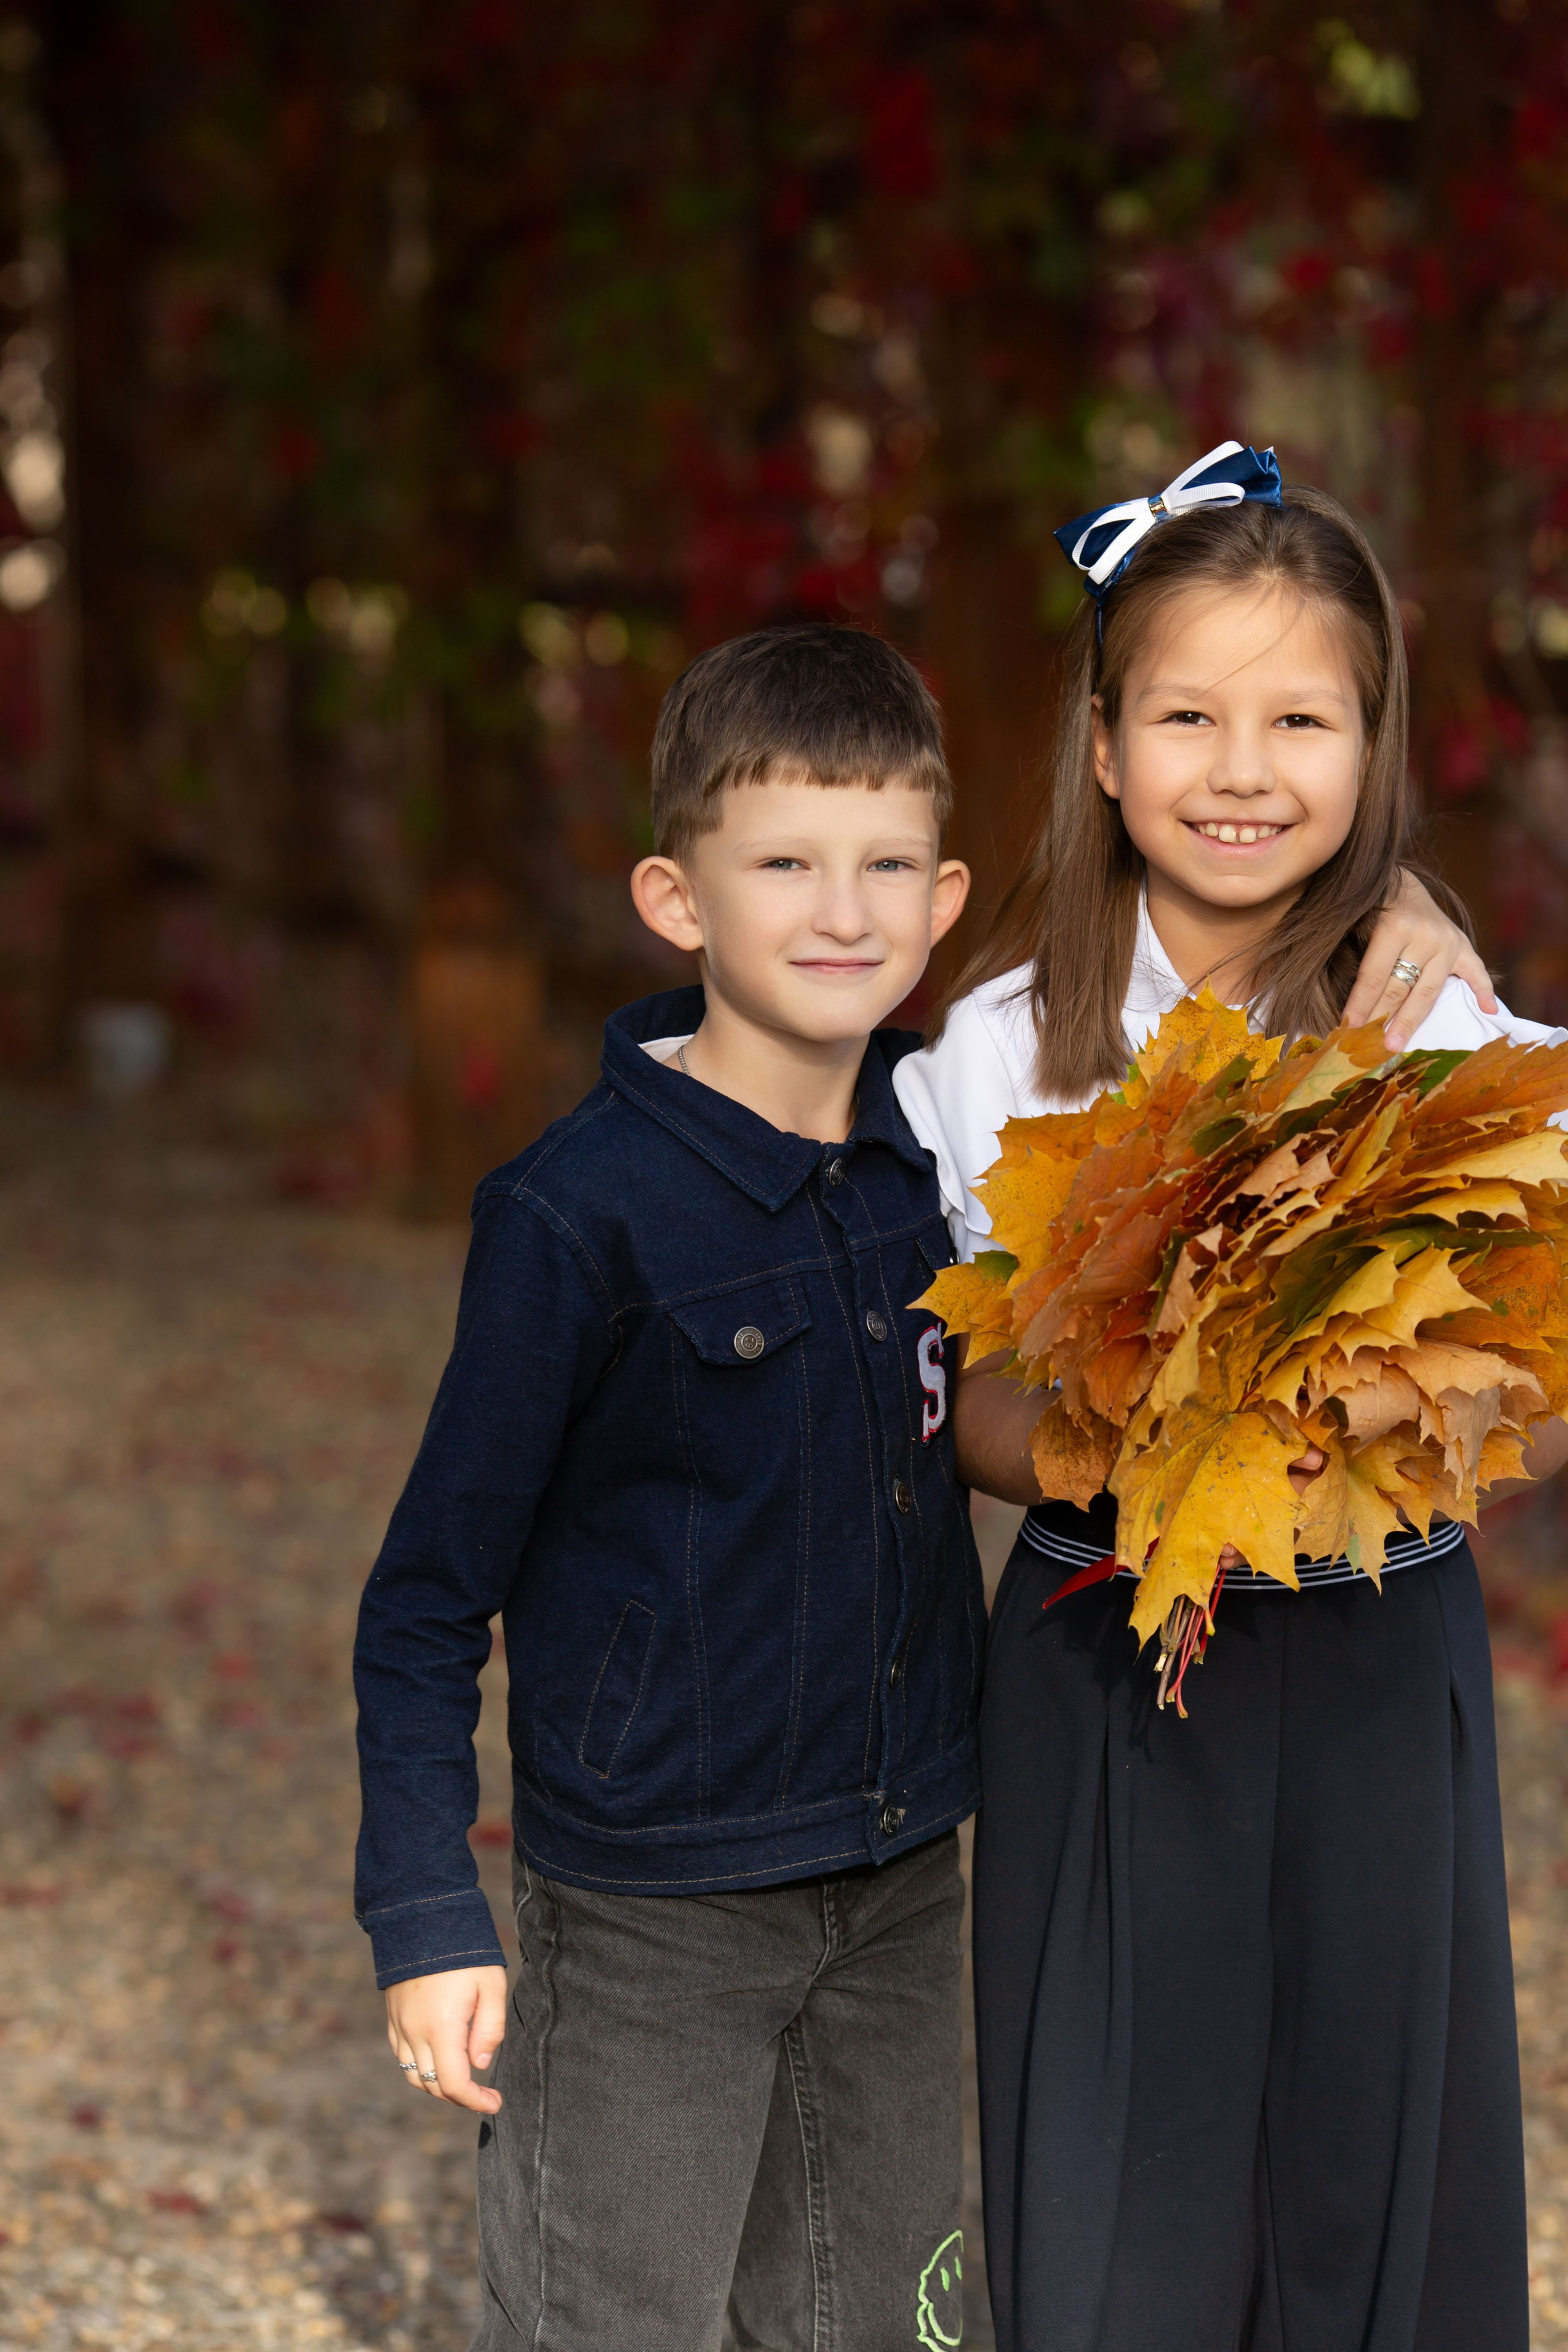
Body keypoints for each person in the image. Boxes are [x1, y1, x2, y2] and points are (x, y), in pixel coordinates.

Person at [891, 447, 1568, 2352]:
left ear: (1375, 752)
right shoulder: (1002, 1042)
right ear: (1104, 747)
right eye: (1188, 714)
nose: (1244, 767)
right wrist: (1137, 1418)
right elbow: (971, 1411)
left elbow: (1516, 1364)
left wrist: (1363, 1403)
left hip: (1374, 1636)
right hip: (1109, 1659)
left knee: (1374, 2162)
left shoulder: (1436, 1025)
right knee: (1121, 2172)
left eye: (1301, 718)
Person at [353, 622, 988, 2352]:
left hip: (902, 1875)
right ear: (676, 897)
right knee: (610, 2321)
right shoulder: (581, 1219)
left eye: (882, 866)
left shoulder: (939, 1174)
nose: (840, 910)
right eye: (784, 860)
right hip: (654, 1914)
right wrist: (425, 1911)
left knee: (896, 2321)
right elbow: (424, 1597)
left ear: (943, 903)